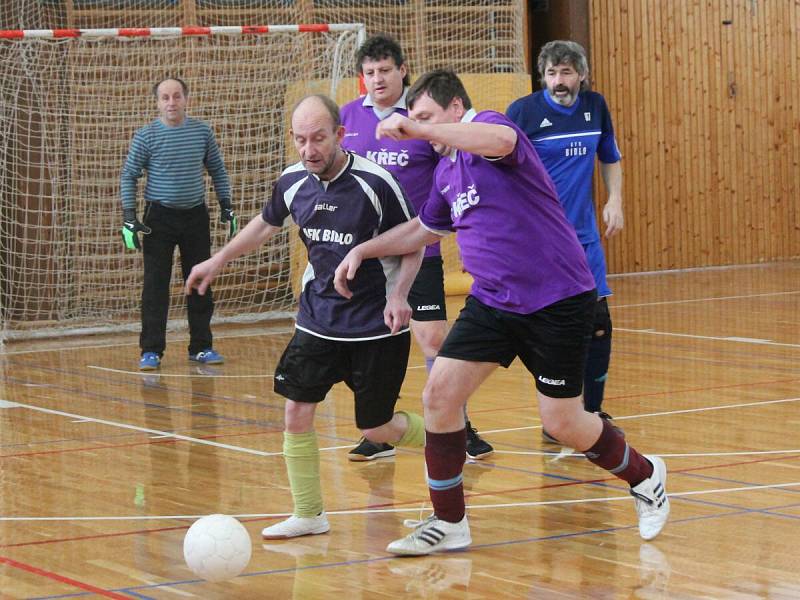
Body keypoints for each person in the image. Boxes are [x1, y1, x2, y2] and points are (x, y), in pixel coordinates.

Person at [333, 70, 669, 555]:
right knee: (439, 395)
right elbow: (422, 230)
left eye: (426, 116)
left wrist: (420, 129)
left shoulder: (488, 131)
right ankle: (449, 522)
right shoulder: (447, 173)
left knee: (563, 422)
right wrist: (364, 250)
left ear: (454, 109)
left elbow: (502, 136)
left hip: (556, 300)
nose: (417, 127)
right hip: (493, 303)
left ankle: (646, 475)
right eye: (415, 120)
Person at [185, 94, 427, 539]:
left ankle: (445, 438)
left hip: (375, 326)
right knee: (296, 410)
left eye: (318, 138)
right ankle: (309, 513)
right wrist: (216, 261)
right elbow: (263, 224)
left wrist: (399, 294)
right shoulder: (293, 181)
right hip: (317, 318)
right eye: (300, 139)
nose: (309, 149)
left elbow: (415, 240)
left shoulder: (376, 183)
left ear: (339, 134)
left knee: (377, 427)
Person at [340, 34, 494, 461]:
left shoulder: (422, 119)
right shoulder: (349, 119)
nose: (377, 79)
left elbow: (451, 164)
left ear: (402, 70)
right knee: (366, 344)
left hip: (418, 247)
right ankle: (378, 430)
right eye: (369, 73)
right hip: (369, 250)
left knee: (431, 338)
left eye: (385, 71)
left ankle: (457, 427)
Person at [507, 40, 623, 443]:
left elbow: (609, 155)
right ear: (543, 77)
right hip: (537, 243)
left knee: (597, 325)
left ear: (582, 75)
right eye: (553, 74)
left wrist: (615, 200)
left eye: (567, 73)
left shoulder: (596, 107)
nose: (560, 82)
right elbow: (501, 170)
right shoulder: (522, 113)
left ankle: (590, 412)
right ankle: (557, 413)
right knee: (544, 329)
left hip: (585, 241)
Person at [120, 77, 237, 371]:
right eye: (165, 98)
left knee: (200, 281)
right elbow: (129, 176)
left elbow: (218, 171)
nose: (171, 102)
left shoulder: (201, 132)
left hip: (195, 216)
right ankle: (151, 351)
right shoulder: (146, 137)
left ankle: (201, 347)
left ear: (186, 98)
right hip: (158, 219)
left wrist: (227, 206)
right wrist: (129, 216)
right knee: (155, 286)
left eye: (176, 96)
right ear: (157, 102)